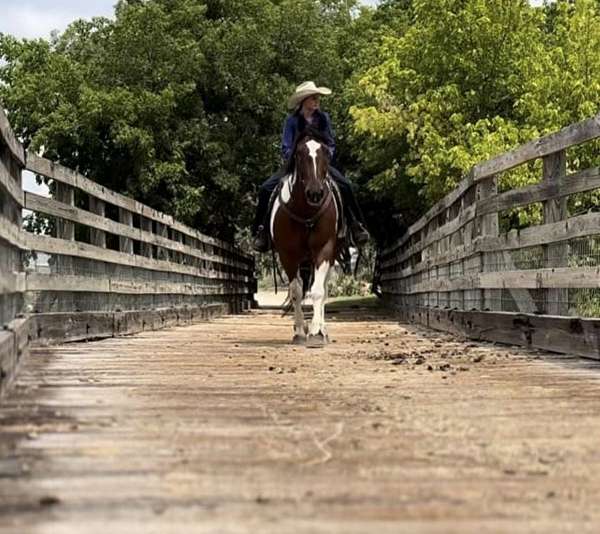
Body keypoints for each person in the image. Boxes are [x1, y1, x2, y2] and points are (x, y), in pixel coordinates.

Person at [251, 81, 370, 253]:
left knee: (346, 186)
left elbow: (331, 143)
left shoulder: (324, 119)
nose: (317, 101)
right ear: (304, 100)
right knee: (265, 189)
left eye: (317, 98)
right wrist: (296, 159)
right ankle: (261, 231)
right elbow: (285, 147)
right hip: (296, 164)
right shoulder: (291, 121)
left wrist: (325, 156)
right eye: (314, 98)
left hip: (320, 164)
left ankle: (356, 225)